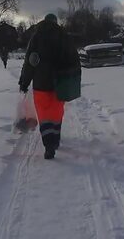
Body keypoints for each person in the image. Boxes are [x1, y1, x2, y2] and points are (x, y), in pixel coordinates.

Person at [18, 13, 80, 159]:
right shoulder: (64, 37)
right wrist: (73, 78)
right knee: (56, 114)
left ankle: (48, 146)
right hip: (60, 84)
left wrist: (24, 82)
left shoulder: (36, 37)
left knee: (44, 115)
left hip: (40, 84)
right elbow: (75, 60)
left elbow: (29, 62)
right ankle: (55, 140)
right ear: (56, 23)